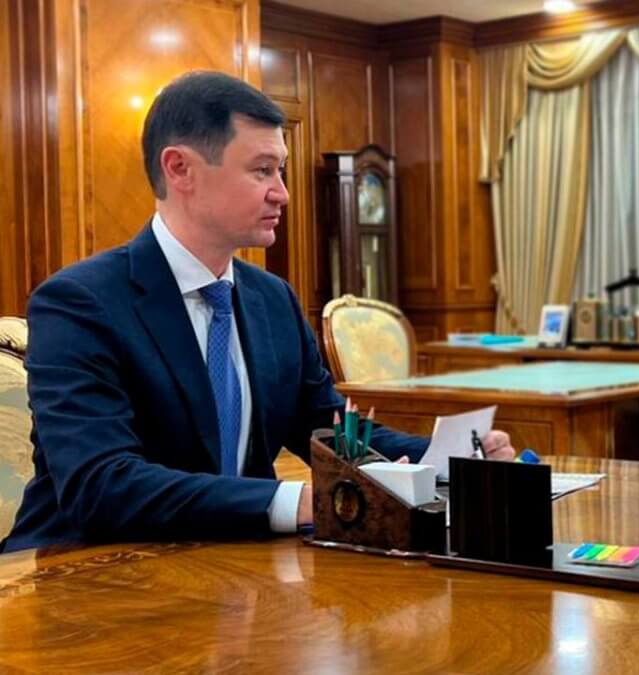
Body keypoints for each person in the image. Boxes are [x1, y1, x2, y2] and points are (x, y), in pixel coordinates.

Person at [2, 71, 514, 553]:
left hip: (234, 566)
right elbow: (101, 484)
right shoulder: (79, 303)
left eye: (280, 171)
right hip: (84, 572)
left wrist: (445, 459)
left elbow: (327, 430)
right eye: (262, 170)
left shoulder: (272, 299)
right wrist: (299, 502)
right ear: (179, 169)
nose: (283, 193)